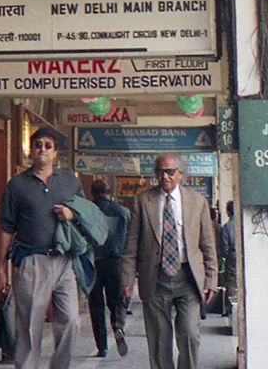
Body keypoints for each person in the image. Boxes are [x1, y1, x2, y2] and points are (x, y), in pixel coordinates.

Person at [121, 153, 217, 369]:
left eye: (170, 171)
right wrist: (127, 279)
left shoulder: (197, 201)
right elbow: (131, 244)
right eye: (160, 172)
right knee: (158, 340)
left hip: (188, 279)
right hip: (155, 279)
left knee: (190, 334)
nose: (165, 176)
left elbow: (208, 244)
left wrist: (211, 280)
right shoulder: (142, 201)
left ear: (180, 174)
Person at [0, 126, 82, 369]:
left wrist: (72, 213)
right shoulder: (17, 185)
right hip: (32, 261)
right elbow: (6, 227)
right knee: (29, 328)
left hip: (64, 261)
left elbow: (87, 215)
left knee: (71, 321)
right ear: (31, 151)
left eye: (48, 146)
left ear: (56, 153)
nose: (42, 149)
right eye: (38, 145)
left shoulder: (69, 182)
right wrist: (1, 267)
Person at [88, 179, 130, 358]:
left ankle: (102, 347)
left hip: (93, 263)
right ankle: (118, 326)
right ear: (109, 191)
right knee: (116, 301)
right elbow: (129, 237)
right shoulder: (121, 211)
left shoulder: (87, 211)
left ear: (92, 193)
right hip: (115, 262)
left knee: (96, 305)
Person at [219, 200, 237, 316]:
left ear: (228, 212)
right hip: (244, 254)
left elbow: (224, 247)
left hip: (232, 255)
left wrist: (224, 257)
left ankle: (231, 308)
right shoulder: (243, 223)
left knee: (230, 281)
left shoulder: (227, 227)